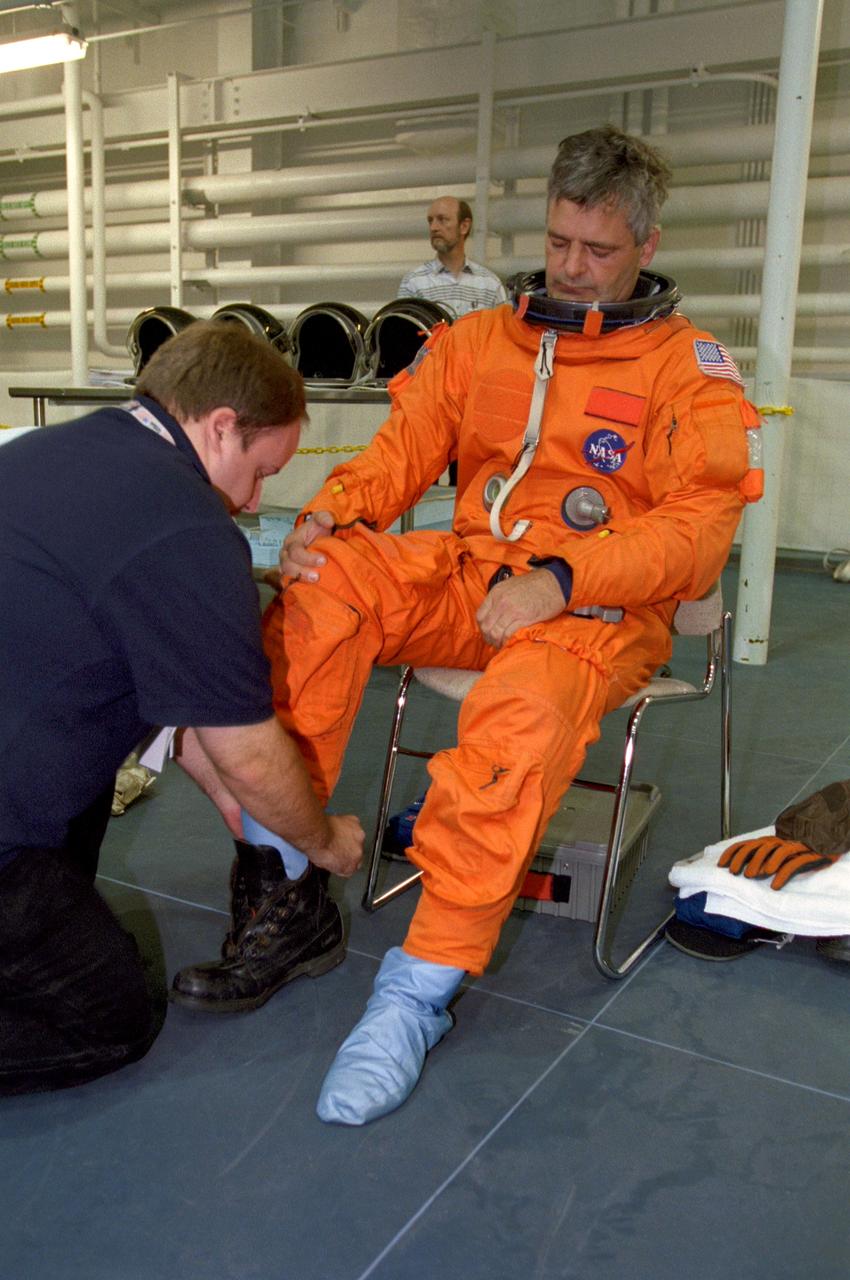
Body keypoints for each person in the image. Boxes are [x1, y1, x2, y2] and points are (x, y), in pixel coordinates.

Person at [174, 125, 762, 1125]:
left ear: (647, 245)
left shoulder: (687, 370)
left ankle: (416, 989)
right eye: (560, 242)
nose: (573, 269)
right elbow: (403, 449)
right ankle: (284, 878)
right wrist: (333, 513)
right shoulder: (485, 339)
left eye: (599, 250)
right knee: (322, 586)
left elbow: (697, 535)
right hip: (472, 573)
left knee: (520, 713)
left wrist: (566, 573)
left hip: (599, 609)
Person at [0, 320, 364, 1096]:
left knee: (92, 754)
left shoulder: (47, 453)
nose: (256, 499)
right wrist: (324, 840)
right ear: (221, 426)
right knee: (113, 1012)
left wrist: (250, 823)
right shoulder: (188, 527)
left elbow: (180, 697)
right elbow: (245, 746)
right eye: (262, 473)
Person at [396, 195, 507, 317]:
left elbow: (503, 332)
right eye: (430, 221)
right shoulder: (413, 282)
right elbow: (403, 332)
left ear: (464, 226)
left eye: (442, 219)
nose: (433, 228)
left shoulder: (490, 284)